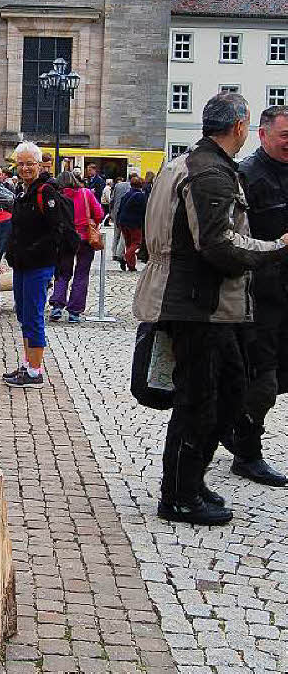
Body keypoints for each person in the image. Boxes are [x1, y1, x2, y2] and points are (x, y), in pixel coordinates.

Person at [134, 93, 288, 526]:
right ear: (240, 127)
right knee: (200, 400)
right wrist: (276, 248)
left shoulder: (187, 163)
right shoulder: (211, 172)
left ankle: (191, 481)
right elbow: (219, 245)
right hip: (199, 305)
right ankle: (179, 495)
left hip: (197, 302)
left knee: (226, 391)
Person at [234, 105, 288, 486]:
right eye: (286, 136)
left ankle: (234, 430)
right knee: (262, 379)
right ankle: (247, 452)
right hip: (259, 295)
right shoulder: (246, 176)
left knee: (278, 375)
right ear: (262, 134)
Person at [3, 141, 60, 388]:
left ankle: (35, 371)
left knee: (34, 316)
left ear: (39, 165)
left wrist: (33, 252)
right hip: (23, 264)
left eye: (30, 164)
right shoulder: (23, 190)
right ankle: (28, 364)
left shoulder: (46, 192)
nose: (25, 168)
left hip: (38, 264)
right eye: (21, 164)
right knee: (24, 315)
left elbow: (56, 231)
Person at [49, 170, 104, 322]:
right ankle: (74, 311)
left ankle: (57, 305)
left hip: (65, 239)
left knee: (62, 272)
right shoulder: (86, 193)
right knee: (81, 274)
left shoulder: (58, 197)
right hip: (85, 238)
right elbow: (99, 213)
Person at [0, 164, 15, 303]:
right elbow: (12, 199)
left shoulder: (3, 186)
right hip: (0, 222)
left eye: (0, 174)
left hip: (2, 220)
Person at [117, 174, 147, 272]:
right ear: (141, 185)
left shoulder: (127, 194)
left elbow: (120, 208)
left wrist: (118, 221)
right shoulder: (141, 196)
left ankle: (131, 266)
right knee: (136, 243)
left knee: (129, 244)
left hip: (123, 222)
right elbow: (144, 211)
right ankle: (126, 257)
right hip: (134, 223)